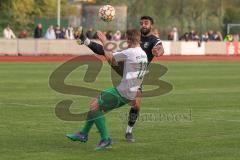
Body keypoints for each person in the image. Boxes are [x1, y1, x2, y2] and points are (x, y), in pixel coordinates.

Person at [77, 16, 164, 142]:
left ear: (152, 25)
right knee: (107, 53)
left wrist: (158, 51)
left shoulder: (153, 39)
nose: (143, 25)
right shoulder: (135, 37)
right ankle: (85, 40)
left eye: (146, 23)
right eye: (141, 23)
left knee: (136, 105)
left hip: (135, 75)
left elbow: (160, 47)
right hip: (126, 68)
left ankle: (128, 130)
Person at [66, 29, 148, 151]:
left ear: (129, 39)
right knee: (96, 107)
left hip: (122, 91)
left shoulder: (131, 52)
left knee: (94, 106)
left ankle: (105, 139)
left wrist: (104, 40)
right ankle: (83, 133)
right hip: (131, 93)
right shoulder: (143, 54)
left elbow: (109, 58)